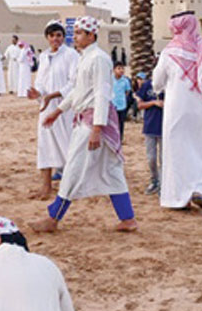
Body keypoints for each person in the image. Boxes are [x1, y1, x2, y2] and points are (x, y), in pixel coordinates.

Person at [31, 16, 137, 233]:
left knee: (73, 168)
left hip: (93, 122)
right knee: (111, 170)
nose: (75, 37)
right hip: (86, 118)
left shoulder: (98, 58)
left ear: (91, 35)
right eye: (76, 32)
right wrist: (58, 111)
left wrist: (97, 129)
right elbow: (78, 91)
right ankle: (128, 218)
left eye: (79, 33)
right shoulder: (85, 58)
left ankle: (53, 217)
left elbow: (101, 94)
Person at [151, 11, 202, 210]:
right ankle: (201, 189)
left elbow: (157, 83)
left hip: (176, 110)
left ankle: (178, 198)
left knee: (177, 152)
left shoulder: (169, 52)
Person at [28, 21, 79, 200]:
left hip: (64, 108)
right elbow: (41, 80)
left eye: (58, 35)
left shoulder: (71, 55)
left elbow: (74, 83)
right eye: (52, 36)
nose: (55, 39)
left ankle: (71, 187)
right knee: (45, 146)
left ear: (63, 37)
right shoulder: (43, 56)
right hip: (45, 107)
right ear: (47, 38)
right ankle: (46, 186)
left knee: (68, 145)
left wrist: (55, 95)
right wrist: (39, 93)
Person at [133, 71, 164, 195]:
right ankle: (154, 180)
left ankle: (162, 184)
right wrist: (154, 103)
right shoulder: (147, 86)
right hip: (150, 127)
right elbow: (140, 105)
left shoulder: (169, 86)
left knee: (163, 159)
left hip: (164, 128)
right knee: (151, 158)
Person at [111, 62, 131, 141]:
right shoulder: (110, 79)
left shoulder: (125, 81)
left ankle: (120, 139)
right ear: (114, 70)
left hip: (122, 105)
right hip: (112, 105)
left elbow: (127, 91)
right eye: (119, 68)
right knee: (112, 123)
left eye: (122, 68)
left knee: (121, 123)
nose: (121, 70)